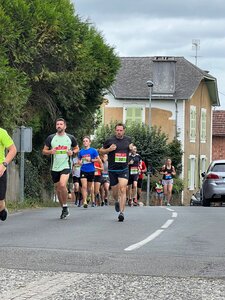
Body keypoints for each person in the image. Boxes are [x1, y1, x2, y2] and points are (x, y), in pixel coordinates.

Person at [42, 118, 79, 219]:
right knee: (58, 189)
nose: (59, 126)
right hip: (54, 167)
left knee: (62, 185)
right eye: (57, 124)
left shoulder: (70, 138)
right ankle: (63, 208)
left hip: (66, 165)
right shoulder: (51, 138)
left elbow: (76, 148)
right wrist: (50, 152)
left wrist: (73, 152)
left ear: (65, 126)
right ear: (56, 126)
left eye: (61, 124)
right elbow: (44, 151)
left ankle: (65, 206)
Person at [100, 123, 133, 222]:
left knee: (123, 189)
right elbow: (100, 151)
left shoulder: (128, 140)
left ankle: (121, 213)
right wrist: (108, 149)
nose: (119, 132)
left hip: (124, 169)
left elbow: (131, 147)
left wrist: (131, 148)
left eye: (121, 130)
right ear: (115, 131)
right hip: (112, 170)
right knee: (115, 192)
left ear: (124, 131)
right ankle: (117, 201)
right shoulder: (110, 140)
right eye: (117, 130)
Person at [78, 136, 102, 208]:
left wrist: (91, 160)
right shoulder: (81, 151)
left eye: (86, 141)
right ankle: (85, 201)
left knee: (89, 188)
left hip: (91, 170)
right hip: (83, 170)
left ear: (89, 142)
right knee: (84, 186)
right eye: (84, 141)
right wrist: (80, 162)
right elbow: (79, 161)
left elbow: (99, 160)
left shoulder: (93, 151)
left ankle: (88, 195)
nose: (85, 142)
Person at [0, 128, 17, 221]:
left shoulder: (2, 132)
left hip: (0, 169)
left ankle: (2, 210)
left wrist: (4, 164)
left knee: (0, 202)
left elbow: (13, 149)